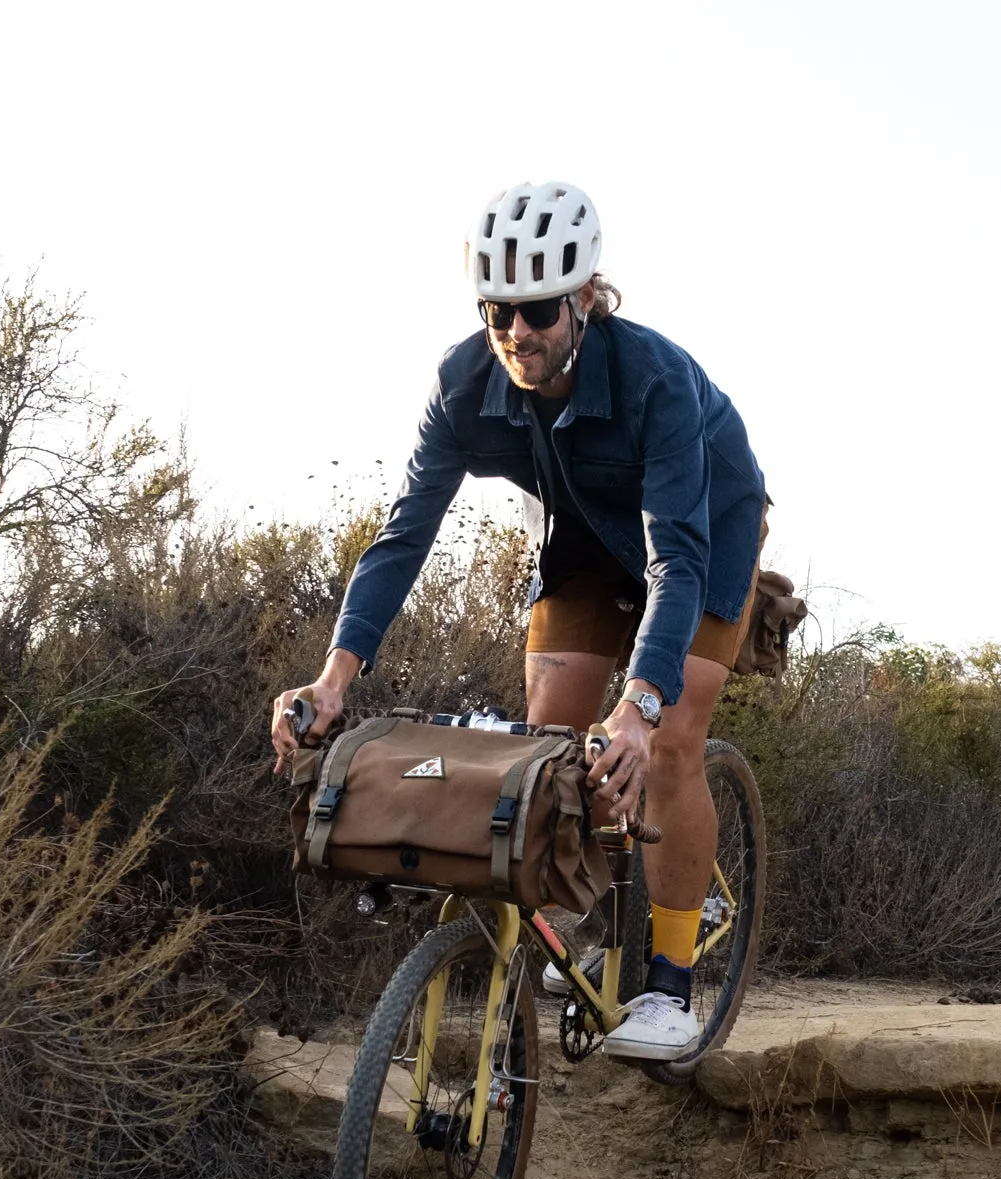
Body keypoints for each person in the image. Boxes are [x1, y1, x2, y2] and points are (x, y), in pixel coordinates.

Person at [269, 180, 767, 1061]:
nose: (515, 333)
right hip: (582, 535)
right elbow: (403, 536)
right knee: (547, 741)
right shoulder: (465, 384)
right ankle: (591, 910)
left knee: (673, 735)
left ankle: (668, 983)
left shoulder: (655, 382)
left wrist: (641, 706)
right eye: (497, 309)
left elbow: (674, 562)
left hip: (703, 526)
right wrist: (334, 677)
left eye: (536, 309)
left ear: (584, 298)